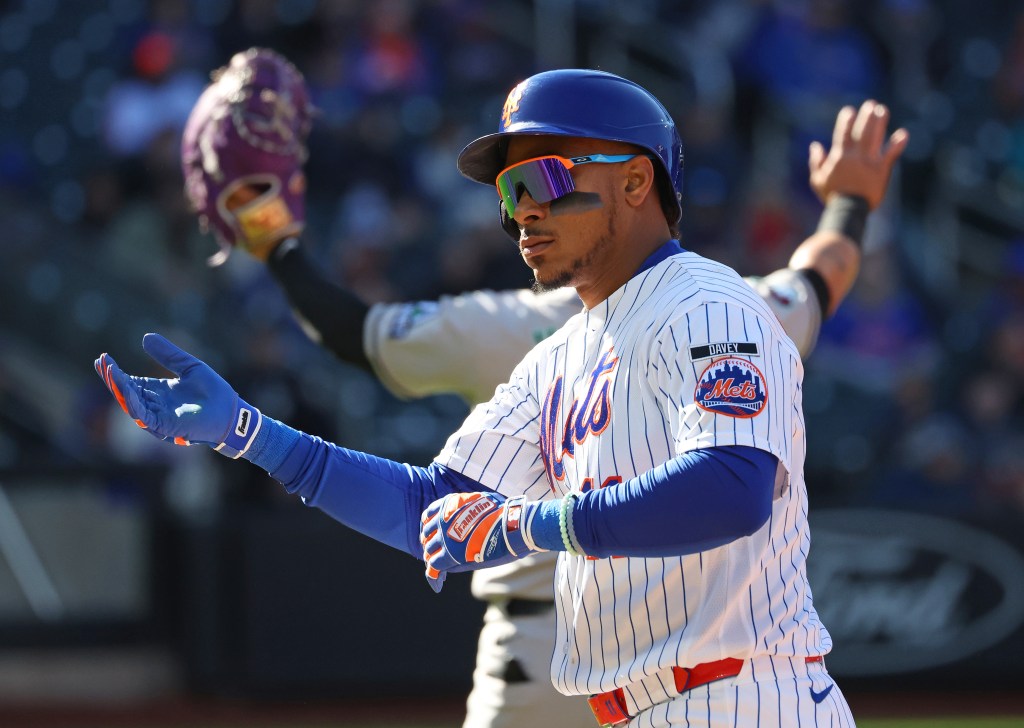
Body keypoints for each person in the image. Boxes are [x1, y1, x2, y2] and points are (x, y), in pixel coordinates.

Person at [97, 68, 906, 727]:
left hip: (743, 701)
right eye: (510, 193)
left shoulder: (711, 305)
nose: (524, 214)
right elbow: (433, 508)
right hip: (637, 708)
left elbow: (732, 489)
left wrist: (531, 522)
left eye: (547, 180)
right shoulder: (555, 359)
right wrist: (252, 433)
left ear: (635, 182)